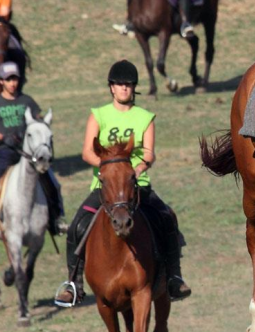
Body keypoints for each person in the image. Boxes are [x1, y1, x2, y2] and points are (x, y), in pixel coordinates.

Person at [54, 60, 191, 306]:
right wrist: (109, 171)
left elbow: (148, 153)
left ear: (134, 88)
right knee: (77, 225)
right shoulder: (98, 115)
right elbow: (87, 152)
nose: (124, 88)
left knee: (167, 217)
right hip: (104, 187)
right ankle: (74, 283)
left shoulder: (145, 117)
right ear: (111, 88)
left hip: (137, 185)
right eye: (119, 84)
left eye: (128, 84)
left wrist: (135, 170)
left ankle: (173, 276)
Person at [0, 62, 68, 241]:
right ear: (1, 81)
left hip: (28, 154)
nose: (12, 83)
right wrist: (3, 137)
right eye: (8, 79)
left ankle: (57, 218)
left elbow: (38, 121)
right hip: (4, 152)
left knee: (53, 183)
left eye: (15, 79)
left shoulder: (27, 101)